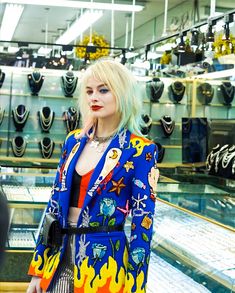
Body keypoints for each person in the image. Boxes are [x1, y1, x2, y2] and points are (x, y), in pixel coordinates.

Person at [27, 58, 159, 293]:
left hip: (104, 267)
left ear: (122, 93)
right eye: (89, 91)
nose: (93, 97)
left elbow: (143, 224)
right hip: (58, 258)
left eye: (103, 90)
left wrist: (136, 286)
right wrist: (38, 267)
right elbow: (53, 208)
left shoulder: (140, 150)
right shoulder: (73, 141)